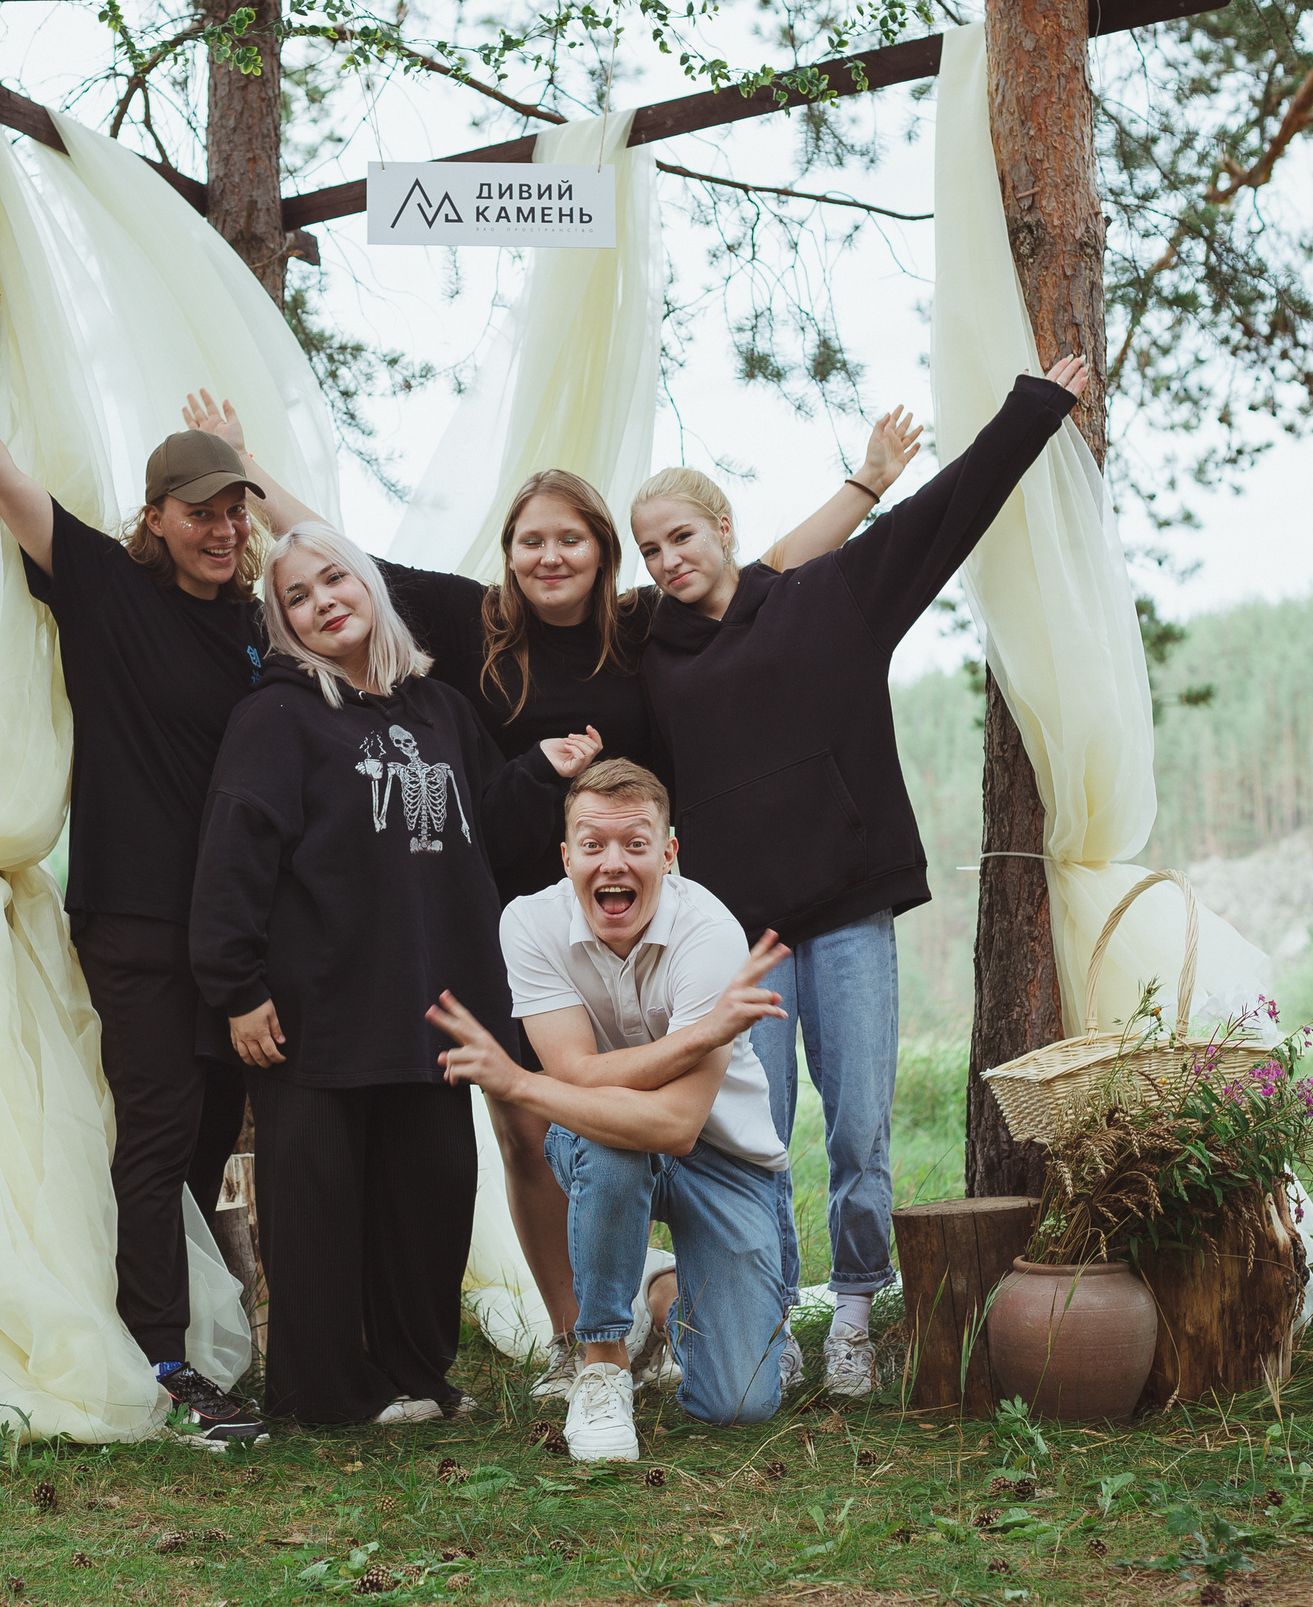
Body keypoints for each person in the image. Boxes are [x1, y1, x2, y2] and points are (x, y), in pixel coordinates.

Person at [179, 396, 934, 1398]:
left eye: (570, 537)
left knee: (671, 1114)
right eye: (530, 540)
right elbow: (345, 562)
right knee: (532, 1129)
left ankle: (710, 1303)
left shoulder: (643, 624)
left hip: (638, 898)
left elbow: (772, 571)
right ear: (509, 552)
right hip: (525, 907)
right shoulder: (469, 621)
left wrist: (869, 485)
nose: (550, 556)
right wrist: (249, 470)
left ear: (601, 549)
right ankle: (575, 1336)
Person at [0, 254, 320, 1448]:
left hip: (240, 936)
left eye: (236, 515)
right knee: (152, 1132)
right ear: (155, 520)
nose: (226, 533)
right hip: (137, 924)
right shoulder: (103, 593)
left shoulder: (259, 623)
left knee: (200, 1142)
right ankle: (167, 1366)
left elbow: (338, 569)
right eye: (203, 514)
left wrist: (252, 469)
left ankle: (197, 1344)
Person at [628, 357, 1092, 1398]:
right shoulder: (642, 656)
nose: (665, 560)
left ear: (726, 530)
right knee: (750, 1126)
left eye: (681, 538)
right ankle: (772, 1312)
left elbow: (946, 515)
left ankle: (854, 1306)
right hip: (737, 937)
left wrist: (1030, 408)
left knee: (858, 1126)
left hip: (844, 910)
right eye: (648, 548)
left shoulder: (827, 598)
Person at [187, 522, 603, 1426]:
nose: (322, 600)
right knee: (320, 1204)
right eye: (296, 596)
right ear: (283, 623)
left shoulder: (440, 708)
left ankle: (418, 1376)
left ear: (369, 586)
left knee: (430, 1191)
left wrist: (540, 769)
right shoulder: (279, 715)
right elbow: (233, 854)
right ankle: (326, 1394)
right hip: (321, 1007)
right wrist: (237, 986)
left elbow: (485, 829)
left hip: (434, 1003)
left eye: (335, 578)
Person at [427, 759, 796, 1460]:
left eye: (635, 843)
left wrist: (519, 1082)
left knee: (740, 1401)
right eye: (592, 844)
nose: (612, 862)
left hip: (724, 1157)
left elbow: (677, 1127)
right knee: (607, 1138)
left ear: (669, 852)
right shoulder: (530, 923)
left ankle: (659, 1288)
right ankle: (599, 1364)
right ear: (567, 855)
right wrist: (700, 1034)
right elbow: (574, 1073)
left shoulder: (711, 931)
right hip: (604, 1145)